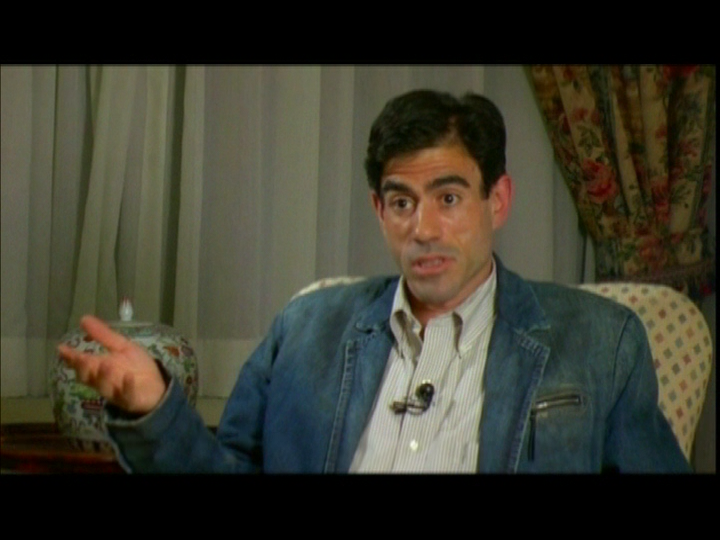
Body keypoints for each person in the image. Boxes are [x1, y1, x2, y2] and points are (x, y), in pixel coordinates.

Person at [58, 89, 690, 473]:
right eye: (401, 202)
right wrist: (153, 408)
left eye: (448, 198)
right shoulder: (305, 328)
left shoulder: (601, 341)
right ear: (378, 209)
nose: (423, 229)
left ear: (497, 201)